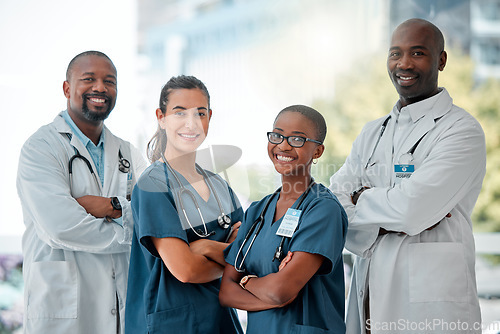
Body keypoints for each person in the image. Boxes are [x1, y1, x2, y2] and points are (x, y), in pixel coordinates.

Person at [329, 18, 485, 334]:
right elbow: (336, 202)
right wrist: (391, 216)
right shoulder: (372, 132)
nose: (403, 63)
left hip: (432, 305)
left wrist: (364, 199)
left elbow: (413, 207)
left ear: (441, 60)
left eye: (417, 53)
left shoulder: (461, 131)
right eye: (395, 53)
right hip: (371, 293)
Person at [16, 51, 148, 333]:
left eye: (109, 81)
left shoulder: (127, 152)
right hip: (61, 311)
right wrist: (128, 227)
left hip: (120, 309)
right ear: (67, 88)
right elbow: (61, 227)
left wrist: (108, 207)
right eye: (89, 79)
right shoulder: (41, 148)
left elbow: (149, 215)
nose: (100, 87)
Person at [125, 75, 244, 334]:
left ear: (209, 117)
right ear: (161, 117)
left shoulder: (220, 186)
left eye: (200, 113)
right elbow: (186, 270)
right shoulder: (153, 186)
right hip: (173, 325)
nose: (191, 123)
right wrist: (227, 254)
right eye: (180, 113)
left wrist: (206, 247)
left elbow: (247, 256)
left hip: (221, 321)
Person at [220, 105, 348, 334]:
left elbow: (281, 290)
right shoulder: (257, 211)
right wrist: (271, 294)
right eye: (277, 135)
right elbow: (226, 292)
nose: (283, 145)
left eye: (297, 139)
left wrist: (246, 281)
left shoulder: (322, 209)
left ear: (317, 151)